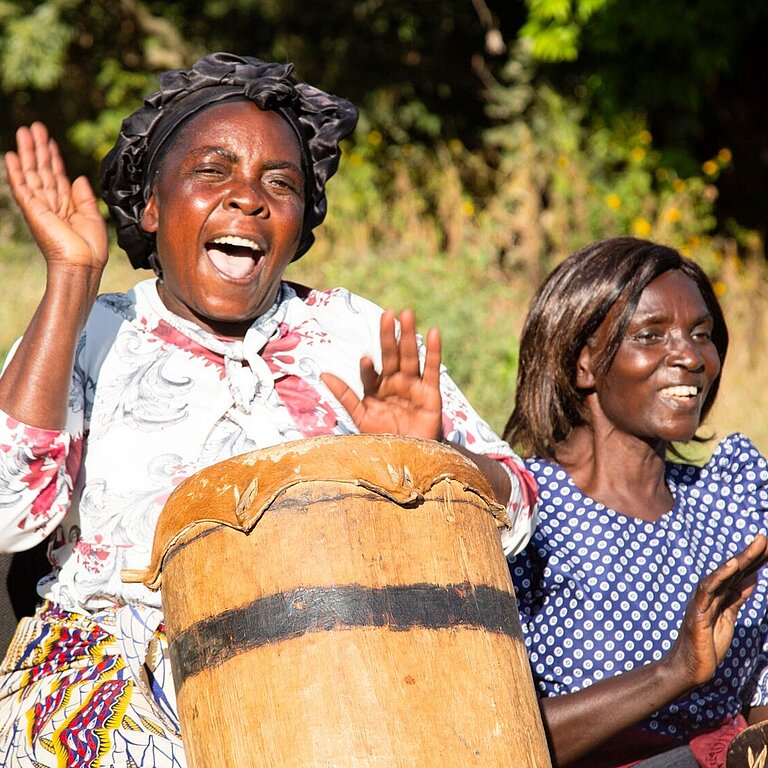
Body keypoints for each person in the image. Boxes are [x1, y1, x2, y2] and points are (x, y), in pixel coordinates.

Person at [0, 53, 537, 767]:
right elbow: (11, 513)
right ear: (152, 207)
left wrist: (424, 461)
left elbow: (517, 508)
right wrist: (70, 278)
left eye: (278, 183)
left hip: (340, 683)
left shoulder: (351, 333)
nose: (247, 198)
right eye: (212, 171)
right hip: (111, 704)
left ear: (298, 222)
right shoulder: (92, 332)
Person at [505, 236, 768, 768]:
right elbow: (491, 736)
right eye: (651, 335)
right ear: (583, 364)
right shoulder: (524, 516)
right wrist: (672, 673)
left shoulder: (732, 502)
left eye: (702, 335)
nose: (691, 357)